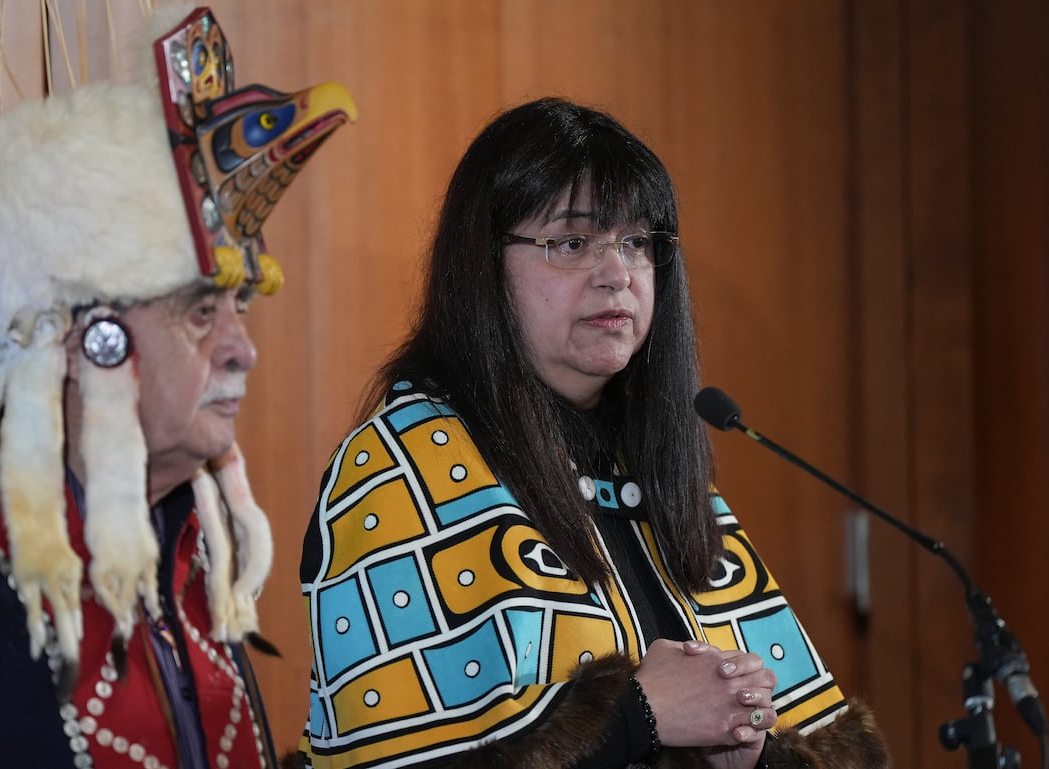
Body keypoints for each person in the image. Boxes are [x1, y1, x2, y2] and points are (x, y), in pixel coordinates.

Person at [0, 6, 354, 769]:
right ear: (89, 341)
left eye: (237, 308)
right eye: (199, 312)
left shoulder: (183, 548)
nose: (241, 348)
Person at [292, 98, 888, 769]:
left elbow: (822, 749)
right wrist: (639, 717)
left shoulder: (655, 465)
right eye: (571, 243)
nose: (617, 274)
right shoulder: (396, 469)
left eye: (637, 243)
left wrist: (748, 749)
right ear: (483, 264)